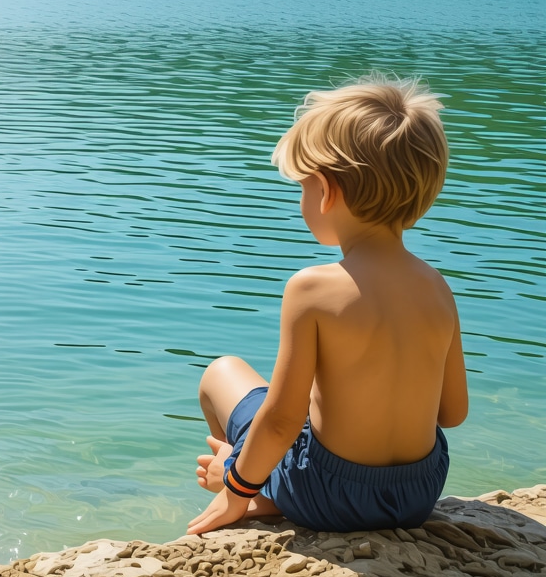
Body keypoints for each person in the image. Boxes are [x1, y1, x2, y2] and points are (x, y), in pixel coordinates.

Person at [187, 76, 468, 535]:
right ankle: (257, 482)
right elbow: (452, 414)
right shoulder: (436, 286)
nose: (301, 202)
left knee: (222, 372)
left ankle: (243, 489)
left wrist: (236, 488)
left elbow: (281, 420)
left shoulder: (313, 287)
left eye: (302, 188)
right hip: (418, 493)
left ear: (327, 190)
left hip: (330, 495)